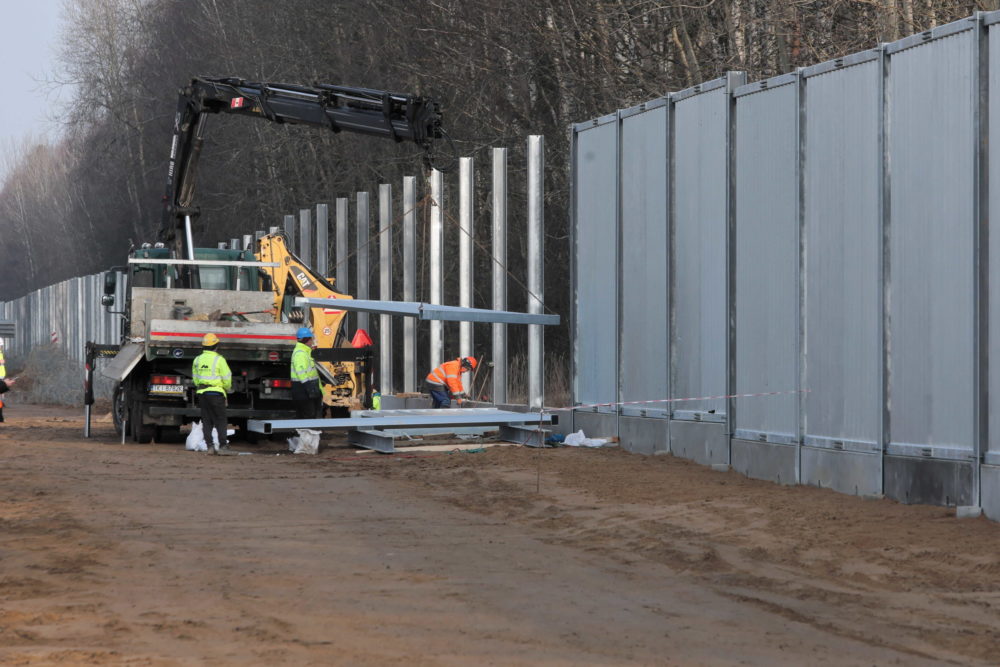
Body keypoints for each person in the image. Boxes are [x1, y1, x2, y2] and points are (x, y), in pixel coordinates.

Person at [192, 333, 232, 454]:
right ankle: (223, 446)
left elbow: (195, 378)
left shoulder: (197, 359)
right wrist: (226, 389)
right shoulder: (219, 360)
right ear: (216, 346)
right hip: (216, 393)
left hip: (202, 394)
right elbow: (227, 378)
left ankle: (210, 446)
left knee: (207, 420)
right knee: (220, 419)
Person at [291, 327, 322, 419]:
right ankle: (307, 433)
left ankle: (305, 432)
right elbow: (300, 371)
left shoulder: (305, 352)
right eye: (311, 339)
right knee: (308, 415)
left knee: (307, 415)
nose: (312, 341)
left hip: (305, 390)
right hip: (303, 390)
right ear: (306, 340)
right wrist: (308, 386)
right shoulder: (300, 353)